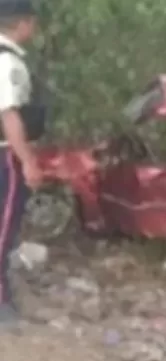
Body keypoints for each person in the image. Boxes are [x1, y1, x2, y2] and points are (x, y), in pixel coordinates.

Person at [0, 0, 45, 329]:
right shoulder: (8, 62)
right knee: (3, 229)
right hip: (4, 154)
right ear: (22, 23)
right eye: (32, 22)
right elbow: (9, 114)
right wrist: (28, 162)